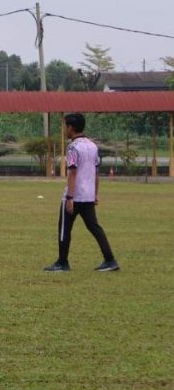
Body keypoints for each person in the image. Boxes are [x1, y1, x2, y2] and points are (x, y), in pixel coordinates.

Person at [44, 113, 119, 272]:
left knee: (64, 228)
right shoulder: (93, 146)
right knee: (94, 227)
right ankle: (110, 260)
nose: (65, 129)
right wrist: (95, 194)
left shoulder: (73, 147)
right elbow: (96, 172)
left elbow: (72, 172)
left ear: (71, 127)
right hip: (88, 195)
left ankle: (62, 262)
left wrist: (70, 197)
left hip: (75, 195)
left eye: (66, 126)